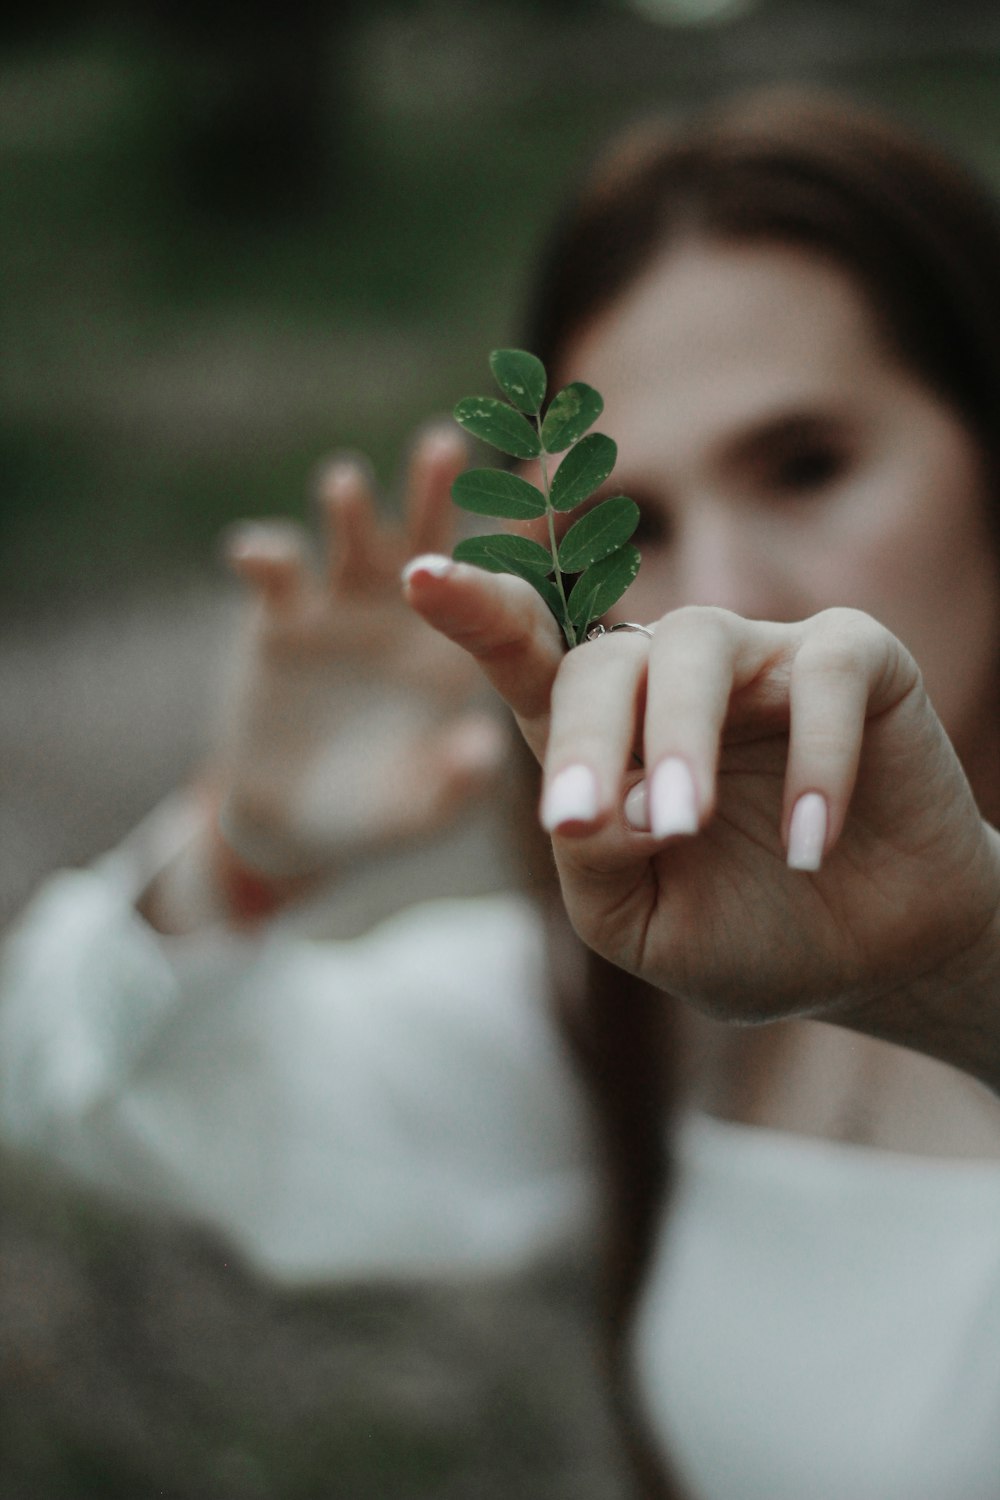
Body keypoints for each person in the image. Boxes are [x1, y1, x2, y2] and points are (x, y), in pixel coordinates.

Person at [2, 85, 1000, 1499]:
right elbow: (67, 1087)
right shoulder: (645, 1010)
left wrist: (971, 971)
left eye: (808, 463)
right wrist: (243, 846)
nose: (720, 596)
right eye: (630, 523)